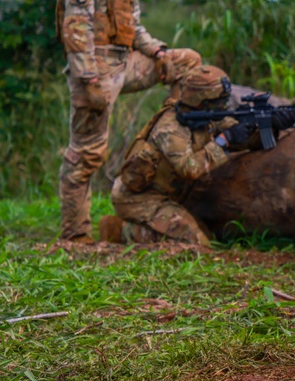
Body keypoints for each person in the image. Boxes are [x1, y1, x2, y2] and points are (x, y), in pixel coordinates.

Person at [56, 0, 199, 243]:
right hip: (96, 67)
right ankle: (74, 235)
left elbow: (133, 28)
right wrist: (88, 77)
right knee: (87, 153)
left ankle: (172, 143)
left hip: (125, 61)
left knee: (188, 63)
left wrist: (159, 51)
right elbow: (76, 30)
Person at [100, 65, 253, 246]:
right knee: (196, 244)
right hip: (138, 199)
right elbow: (190, 168)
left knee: (210, 237)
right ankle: (120, 230)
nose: (223, 106)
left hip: (170, 195)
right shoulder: (171, 129)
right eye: (218, 101)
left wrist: (262, 125)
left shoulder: (203, 115)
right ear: (202, 101)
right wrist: (223, 140)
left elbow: (234, 130)